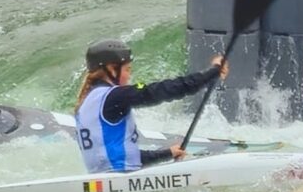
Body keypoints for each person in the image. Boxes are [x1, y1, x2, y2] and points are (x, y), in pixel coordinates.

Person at [73, 40, 228, 173]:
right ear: (112, 69)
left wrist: (167, 153)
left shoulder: (86, 103)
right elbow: (162, 90)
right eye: (127, 69)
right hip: (120, 178)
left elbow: (123, 156)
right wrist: (211, 73)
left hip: (107, 182)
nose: (129, 76)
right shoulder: (114, 96)